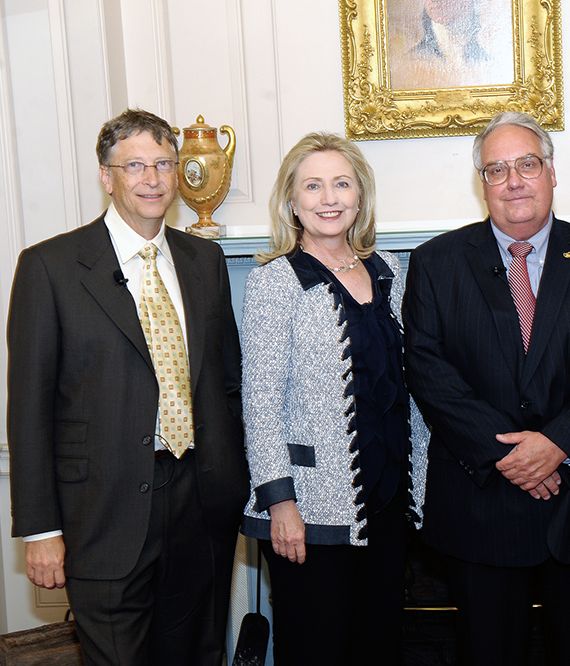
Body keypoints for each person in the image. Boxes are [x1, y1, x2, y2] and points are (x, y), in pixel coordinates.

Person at [7, 109, 249, 666]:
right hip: (102, 515)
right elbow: (30, 411)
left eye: (164, 164)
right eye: (135, 165)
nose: (153, 179)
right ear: (105, 174)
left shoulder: (203, 259)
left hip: (202, 503)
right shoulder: (50, 267)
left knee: (197, 654)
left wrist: (239, 483)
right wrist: (40, 529)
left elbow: (226, 382)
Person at [403, 111, 570, 666]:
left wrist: (556, 444)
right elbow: (427, 369)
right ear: (481, 183)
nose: (514, 181)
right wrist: (510, 455)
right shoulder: (437, 263)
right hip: (481, 502)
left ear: (552, 172)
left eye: (527, 165)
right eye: (496, 169)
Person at [239, 132, 429, 666]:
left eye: (341, 184)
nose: (329, 198)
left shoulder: (394, 269)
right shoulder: (275, 282)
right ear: (292, 201)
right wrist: (281, 503)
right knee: (316, 648)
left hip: (389, 501)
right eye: (313, 186)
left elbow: (415, 386)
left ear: (361, 196)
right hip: (311, 510)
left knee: (381, 644)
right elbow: (260, 403)